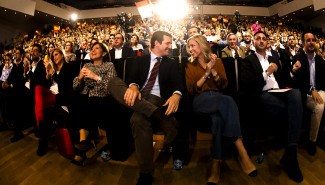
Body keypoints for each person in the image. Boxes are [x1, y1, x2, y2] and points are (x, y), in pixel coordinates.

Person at [108, 31, 183, 185]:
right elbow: (131, 79)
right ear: (156, 44)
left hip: (158, 101)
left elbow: (178, 85)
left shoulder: (171, 63)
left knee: (138, 119)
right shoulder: (139, 60)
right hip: (138, 98)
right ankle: (163, 120)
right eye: (168, 43)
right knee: (113, 82)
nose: (171, 46)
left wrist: (177, 95)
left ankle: (145, 172)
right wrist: (134, 87)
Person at [186, 34, 257, 185]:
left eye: (193, 45)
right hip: (201, 100)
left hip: (218, 98)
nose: (190, 49)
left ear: (202, 45)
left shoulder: (217, 62)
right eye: (189, 46)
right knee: (229, 100)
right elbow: (193, 89)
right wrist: (207, 72)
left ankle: (215, 164)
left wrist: (213, 71)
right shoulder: (189, 65)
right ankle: (242, 151)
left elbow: (224, 84)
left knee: (218, 119)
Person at [241, 31, 303, 183]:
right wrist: (267, 72)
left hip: (279, 92)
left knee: (296, 93)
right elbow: (247, 84)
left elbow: (284, 79)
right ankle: (291, 154)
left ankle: (290, 151)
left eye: (264, 39)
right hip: (263, 94)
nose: (261, 41)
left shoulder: (274, 58)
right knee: (294, 107)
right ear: (254, 42)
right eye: (258, 39)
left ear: (267, 42)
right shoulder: (248, 60)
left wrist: (293, 70)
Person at [291, 32, 325, 155]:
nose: (311, 42)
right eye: (308, 40)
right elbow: (297, 81)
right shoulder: (298, 57)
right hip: (305, 93)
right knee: (319, 107)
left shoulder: (319, 59)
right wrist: (310, 89)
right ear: (303, 43)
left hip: (319, 92)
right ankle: (312, 141)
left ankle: (323, 135)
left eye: (313, 40)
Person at [71, 42, 117, 166]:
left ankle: (81, 153)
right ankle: (84, 144)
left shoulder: (109, 65)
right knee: (78, 102)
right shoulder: (86, 65)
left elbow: (112, 87)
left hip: (103, 98)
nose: (93, 50)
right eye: (92, 48)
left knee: (88, 105)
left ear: (104, 53)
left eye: (97, 48)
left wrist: (96, 77)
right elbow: (76, 87)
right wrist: (80, 78)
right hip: (87, 98)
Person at [35, 47, 74, 156]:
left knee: (40, 110)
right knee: (38, 88)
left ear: (62, 55)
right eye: (53, 56)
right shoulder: (53, 68)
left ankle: (42, 141)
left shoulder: (68, 67)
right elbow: (47, 85)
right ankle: (42, 139)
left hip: (61, 95)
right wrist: (48, 75)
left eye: (56, 54)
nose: (54, 57)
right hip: (51, 94)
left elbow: (63, 86)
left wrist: (53, 73)